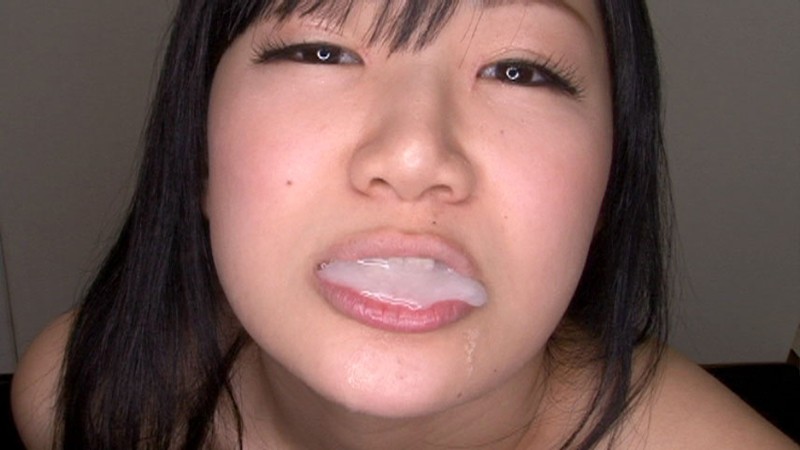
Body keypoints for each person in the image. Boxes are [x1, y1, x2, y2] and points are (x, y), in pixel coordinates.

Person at [10, 1, 796, 449]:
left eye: (520, 70)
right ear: (198, 152)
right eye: (320, 52)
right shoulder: (85, 399)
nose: (415, 155)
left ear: (606, 186)